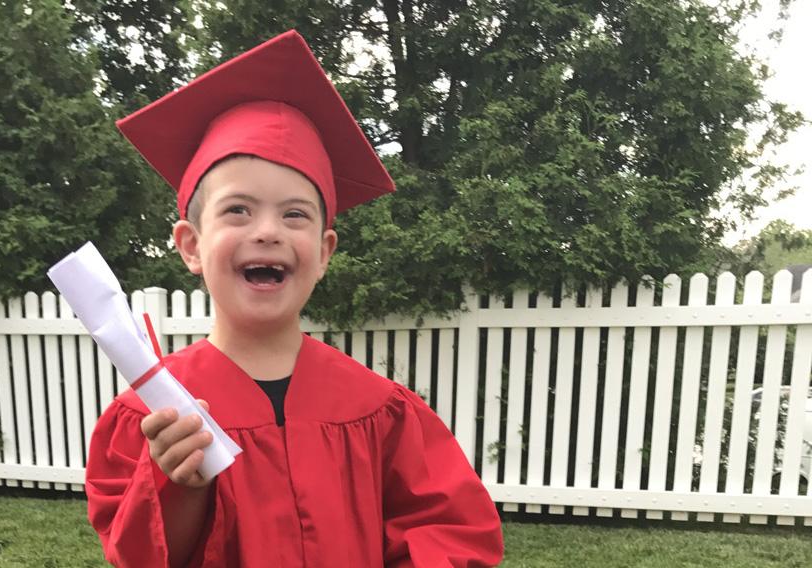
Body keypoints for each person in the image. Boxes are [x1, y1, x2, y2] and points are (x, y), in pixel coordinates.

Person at [85, 30, 504, 567]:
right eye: (238, 210)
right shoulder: (152, 417)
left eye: (295, 214)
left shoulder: (382, 410)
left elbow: (450, 530)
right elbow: (142, 558)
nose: (267, 231)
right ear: (191, 245)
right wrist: (179, 484)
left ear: (325, 251)